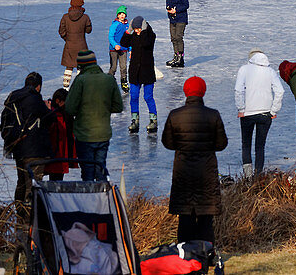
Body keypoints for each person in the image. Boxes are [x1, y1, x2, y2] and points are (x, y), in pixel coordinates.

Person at [161, 76, 227, 244]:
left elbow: (167, 143)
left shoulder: (175, 115)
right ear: (203, 92)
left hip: (183, 173)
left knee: (185, 218)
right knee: (206, 219)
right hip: (206, 173)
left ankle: (185, 256)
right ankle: (206, 255)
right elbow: (221, 144)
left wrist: (183, 146)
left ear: (186, 92)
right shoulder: (213, 115)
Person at [2, 72, 53, 221]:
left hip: (18, 147)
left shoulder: (14, 97)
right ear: (38, 86)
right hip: (34, 148)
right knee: (33, 184)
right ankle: (30, 220)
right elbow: (50, 118)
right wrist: (48, 108)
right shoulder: (34, 98)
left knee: (21, 182)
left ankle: (19, 215)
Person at [66, 50, 123, 182]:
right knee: (100, 168)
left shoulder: (80, 81)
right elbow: (118, 106)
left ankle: (89, 199)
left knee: (87, 171)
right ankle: (102, 199)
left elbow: (70, 108)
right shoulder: (109, 79)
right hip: (103, 134)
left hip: (84, 135)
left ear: (81, 66)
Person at [234, 50, 284, 176]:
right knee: (260, 146)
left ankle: (248, 176)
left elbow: (238, 90)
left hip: (247, 114)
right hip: (265, 114)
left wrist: (241, 109)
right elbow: (280, 91)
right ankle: (258, 176)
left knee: (246, 145)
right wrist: (274, 110)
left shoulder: (244, 69)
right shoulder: (271, 72)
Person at [122, 16, 158, 134]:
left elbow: (145, 43)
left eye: (138, 29)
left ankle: (153, 120)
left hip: (146, 72)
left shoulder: (150, 35)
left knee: (148, 97)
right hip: (134, 72)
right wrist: (128, 31)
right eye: (135, 28)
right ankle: (135, 120)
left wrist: (143, 31)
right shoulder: (133, 36)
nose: (136, 31)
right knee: (134, 96)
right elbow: (123, 43)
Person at [58, 0, 92, 89]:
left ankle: (65, 87)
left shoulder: (65, 17)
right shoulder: (85, 17)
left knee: (69, 67)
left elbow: (61, 31)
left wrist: (68, 39)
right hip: (82, 45)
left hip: (69, 45)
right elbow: (89, 30)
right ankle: (80, 87)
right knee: (80, 67)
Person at [44, 88, 76, 182]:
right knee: (56, 180)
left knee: (56, 179)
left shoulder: (60, 113)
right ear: (58, 101)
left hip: (59, 153)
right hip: (57, 153)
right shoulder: (56, 114)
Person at [165, 0, 189, 68]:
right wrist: (169, 9)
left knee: (179, 37)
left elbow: (186, 5)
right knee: (173, 38)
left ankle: (180, 58)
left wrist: (176, 10)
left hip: (181, 19)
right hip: (172, 18)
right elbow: (168, 2)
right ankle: (175, 56)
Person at [108, 6, 131, 92]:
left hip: (123, 49)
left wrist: (130, 49)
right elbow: (111, 37)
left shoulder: (127, 26)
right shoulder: (115, 25)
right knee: (113, 67)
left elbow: (129, 39)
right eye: (120, 14)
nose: (122, 15)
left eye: (123, 14)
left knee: (123, 67)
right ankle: (109, 81)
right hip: (114, 50)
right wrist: (115, 45)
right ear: (117, 15)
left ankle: (124, 82)